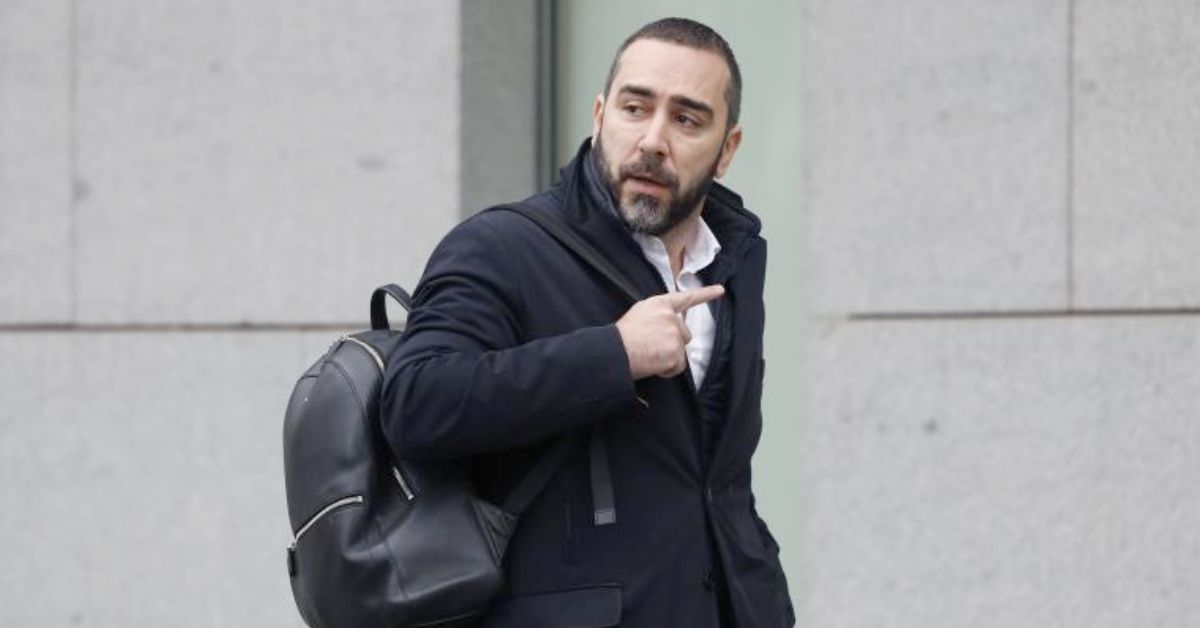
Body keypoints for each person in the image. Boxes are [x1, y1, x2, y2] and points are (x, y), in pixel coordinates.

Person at [381, 17, 793, 628]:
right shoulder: (503, 247)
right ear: (600, 116)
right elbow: (416, 403)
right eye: (635, 108)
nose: (653, 140)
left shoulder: (734, 263)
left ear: (726, 150)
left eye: (687, 119)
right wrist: (614, 354)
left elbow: (720, 482)